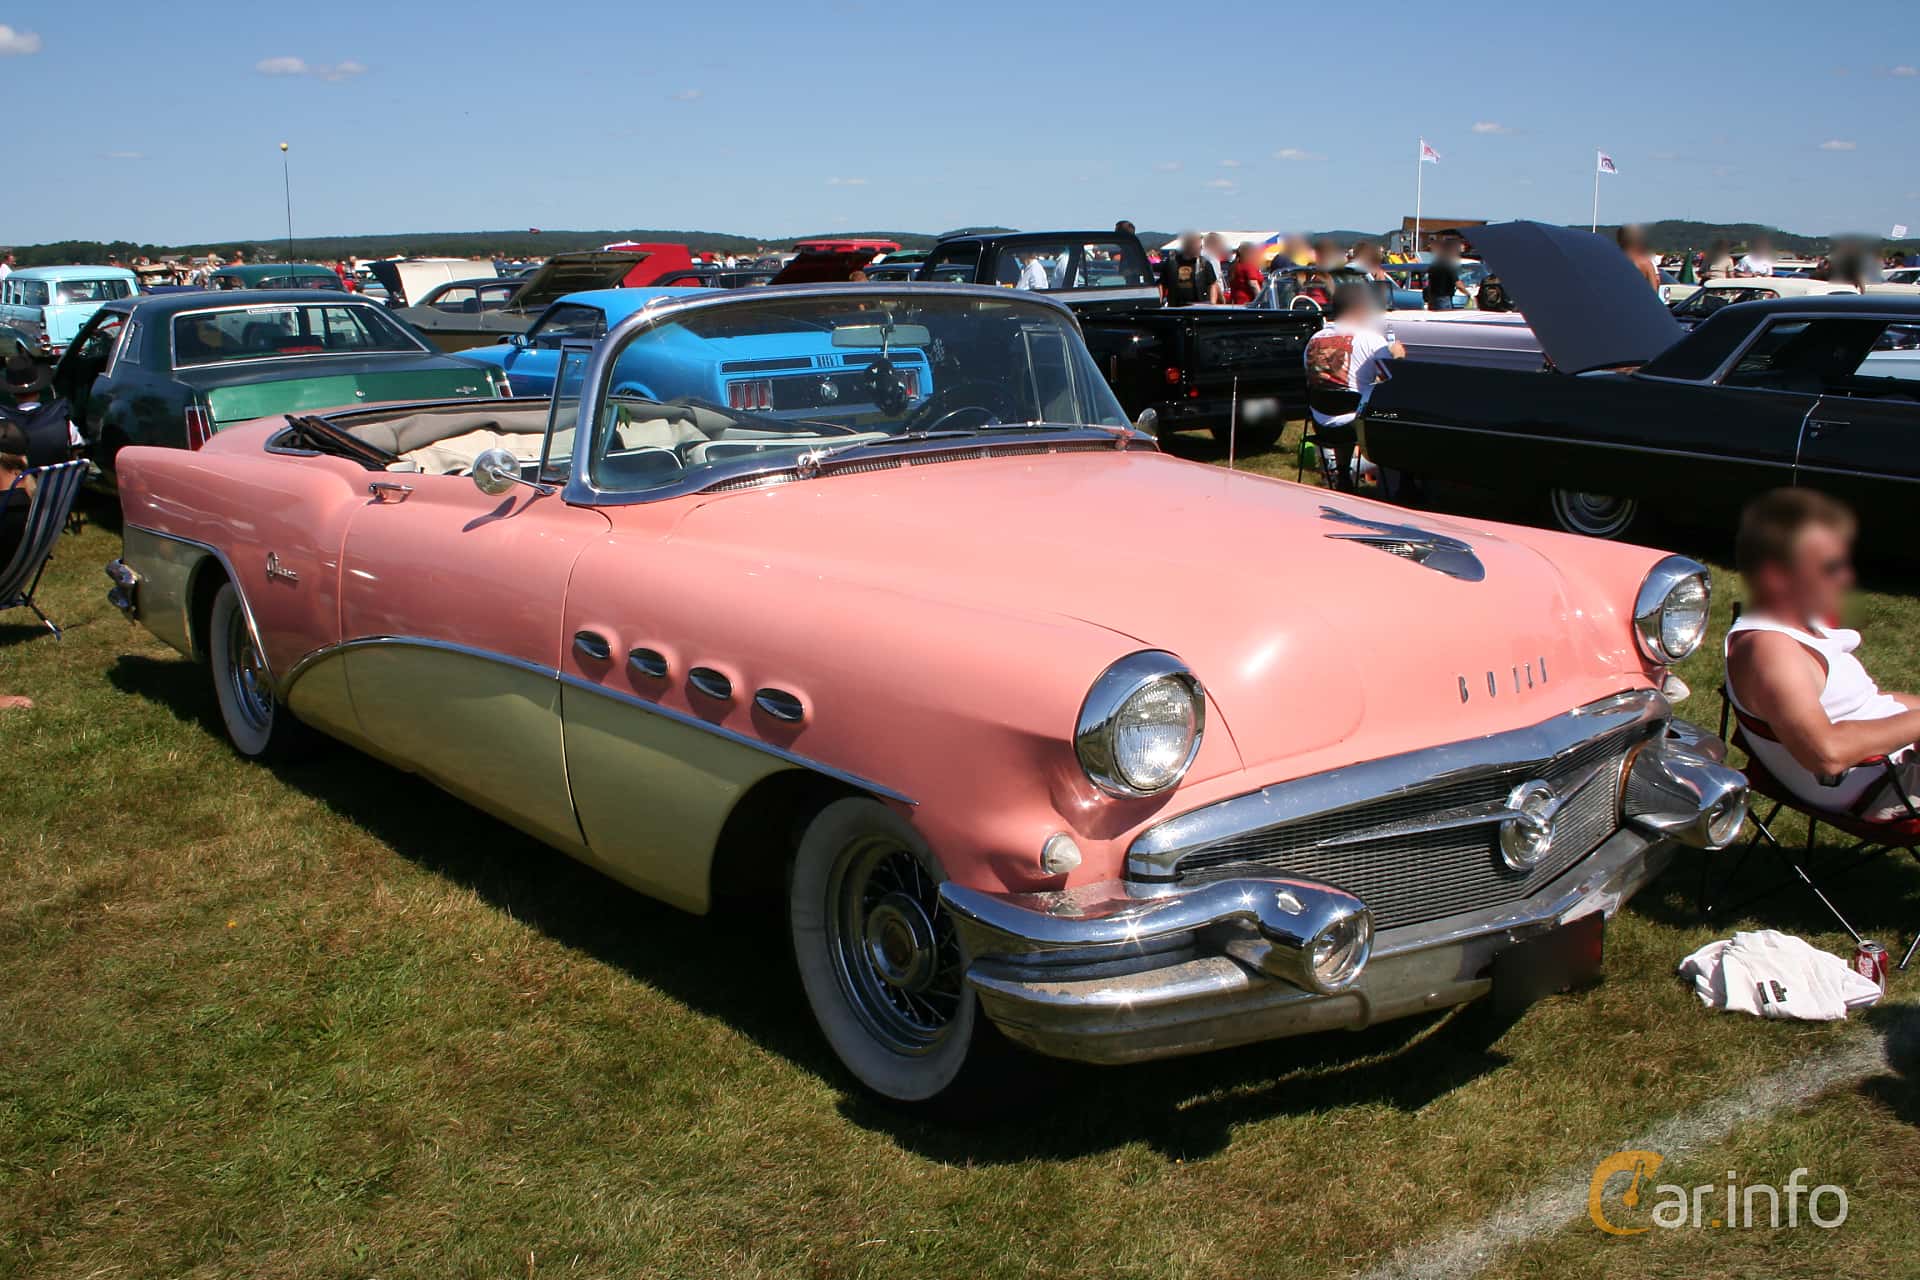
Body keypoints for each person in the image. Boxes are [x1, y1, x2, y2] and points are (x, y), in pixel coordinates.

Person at [1725, 489, 1920, 821]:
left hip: (1886, 765)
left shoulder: (1796, 626)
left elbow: (1861, 703)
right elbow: (1825, 755)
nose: (1844, 578)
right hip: (1882, 785)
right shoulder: (1773, 651)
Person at [1303, 285, 1405, 492]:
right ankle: (1398, 484)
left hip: (1319, 423)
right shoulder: (1371, 340)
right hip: (1354, 425)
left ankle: (1342, 474)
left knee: (1348, 404)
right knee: (1395, 415)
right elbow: (1394, 380)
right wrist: (1398, 355)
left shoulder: (1314, 340)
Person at [0, 353, 80, 467]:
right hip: (58, 483)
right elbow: (77, 448)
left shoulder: (4, 428)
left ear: (12, 394)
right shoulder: (63, 420)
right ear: (39, 391)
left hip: (19, 483)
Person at [1159, 232, 1218, 306]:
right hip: (1176, 306)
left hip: (1199, 305)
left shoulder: (1204, 263)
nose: (1200, 249)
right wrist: (1159, 302)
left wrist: (1212, 303)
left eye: (1201, 247)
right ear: (1188, 246)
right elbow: (1161, 283)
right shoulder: (1171, 262)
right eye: (1198, 247)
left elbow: (1213, 284)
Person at [1423, 238, 1467, 310]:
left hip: (1433, 298)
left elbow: (1429, 282)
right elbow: (1458, 284)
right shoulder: (1448, 265)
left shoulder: (1435, 264)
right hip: (1443, 299)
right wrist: (1468, 294)